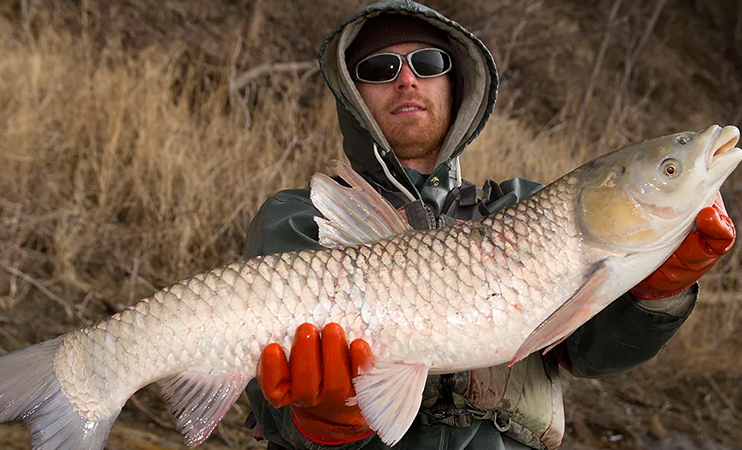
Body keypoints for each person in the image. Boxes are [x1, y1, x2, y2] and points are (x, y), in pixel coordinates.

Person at [242, 1, 737, 449]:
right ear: (353, 94)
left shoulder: (523, 206)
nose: (407, 80)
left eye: (428, 63)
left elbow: (594, 354)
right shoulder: (301, 218)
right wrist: (323, 422)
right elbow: (261, 390)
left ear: (455, 84)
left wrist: (660, 292)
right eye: (380, 67)